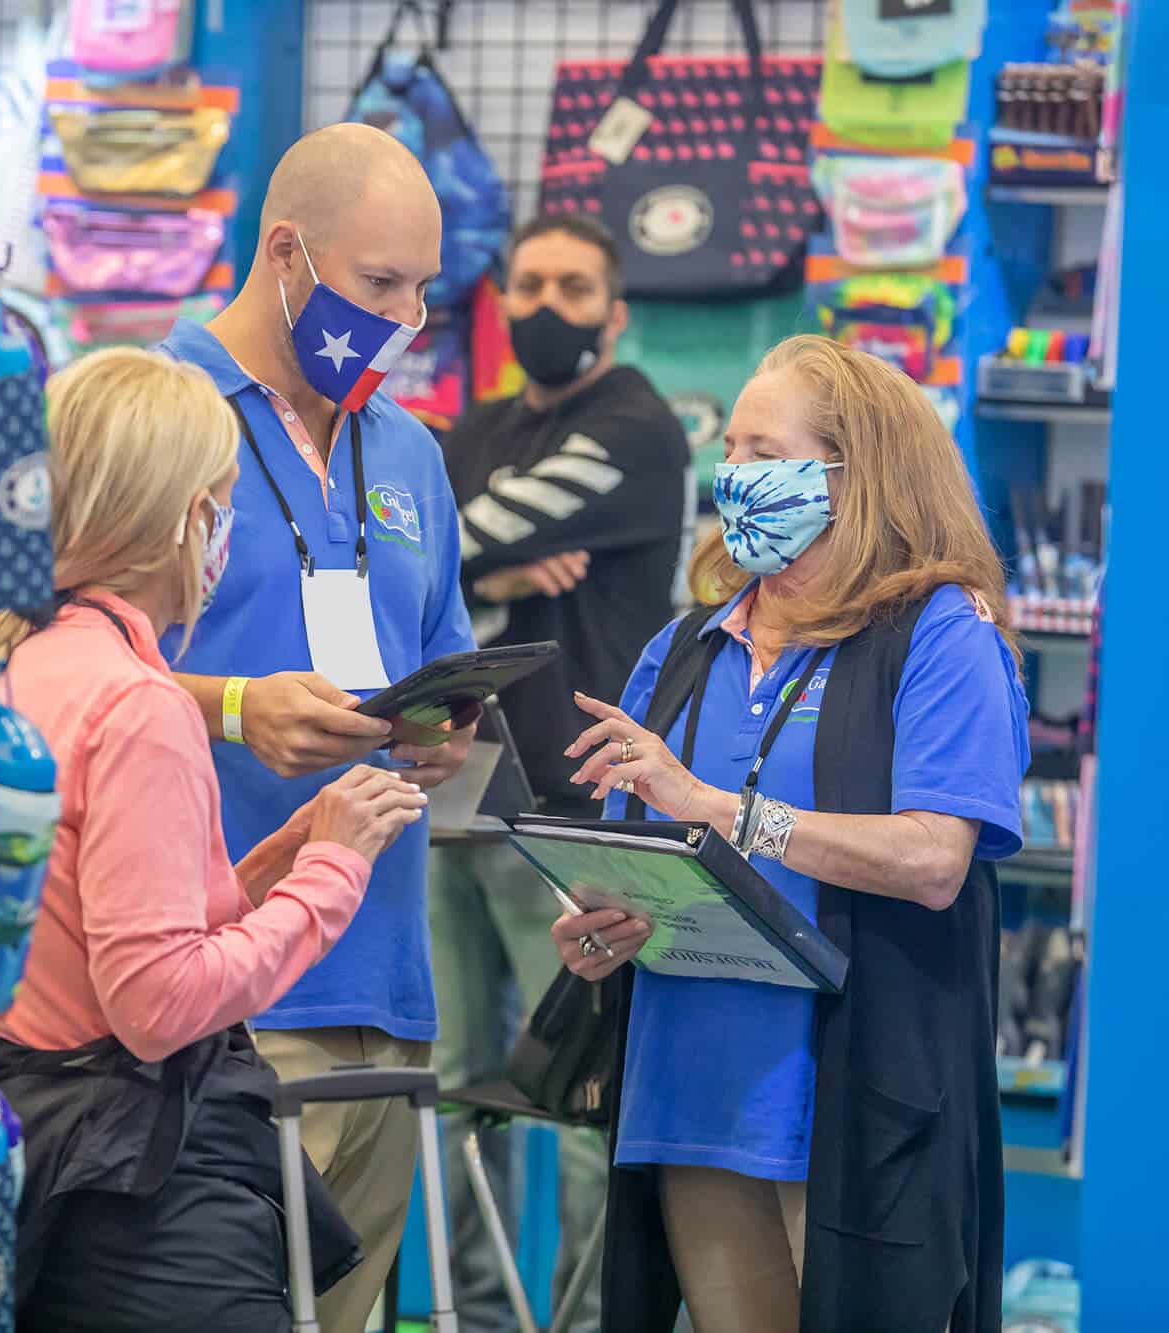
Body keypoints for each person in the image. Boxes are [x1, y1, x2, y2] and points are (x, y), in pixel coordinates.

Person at [0, 347, 431, 1329]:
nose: (227, 529)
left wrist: (271, 862)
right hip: (137, 1188)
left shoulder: (9, 665)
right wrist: (330, 874)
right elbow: (157, 1003)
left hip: (26, 1135)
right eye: (220, 502)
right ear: (181, 520)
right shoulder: (136, 705)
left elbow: (93, 921)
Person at [551, 335, 1030, 1333]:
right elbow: (633, 849)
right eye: (728, 447)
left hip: (855, 1111)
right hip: (690, 1099)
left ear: (855, 475)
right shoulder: (684, 647)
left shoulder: (939, 635)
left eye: (762, 451)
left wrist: (722, 811)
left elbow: (935, 858)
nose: (733, 474)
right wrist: (595, 916)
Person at [159, 123, 479, 1333]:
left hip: (384, 984)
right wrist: (236, 710)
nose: (403, 319)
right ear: (283, 252)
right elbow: (44, 666)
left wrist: (441, 724)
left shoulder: (409, 449)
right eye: (377, 286)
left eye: (419, 290)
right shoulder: (161, 412)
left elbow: (435, 656)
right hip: (212, 997)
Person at [431, 212, 688, 1332]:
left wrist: (477, 562)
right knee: (445, 1080)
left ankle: (588, 1323)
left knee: (583, 1093)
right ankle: (465, 1315)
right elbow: (422, 559)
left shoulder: (635, 424)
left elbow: (460, 533)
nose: (545, 306)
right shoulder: (471, 425)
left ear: (613, 311)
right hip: (454, 794)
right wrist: (496, 580)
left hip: (579, 809)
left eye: (573, 288)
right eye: (528, 282)